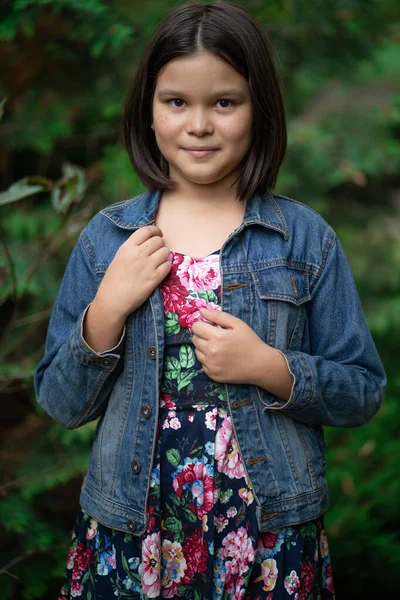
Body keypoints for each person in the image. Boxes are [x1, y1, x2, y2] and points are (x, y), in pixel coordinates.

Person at [34, 2, 386, 599]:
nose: (199, 124)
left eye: (224, 102)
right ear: (148, 109)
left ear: (259, 110)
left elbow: (362, 391)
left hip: (267, 531)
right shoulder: (108, 240)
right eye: (177, 102)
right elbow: (60, 402)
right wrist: (106, 312)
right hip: (132, 526)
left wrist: (270, 368)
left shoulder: (303, 239)